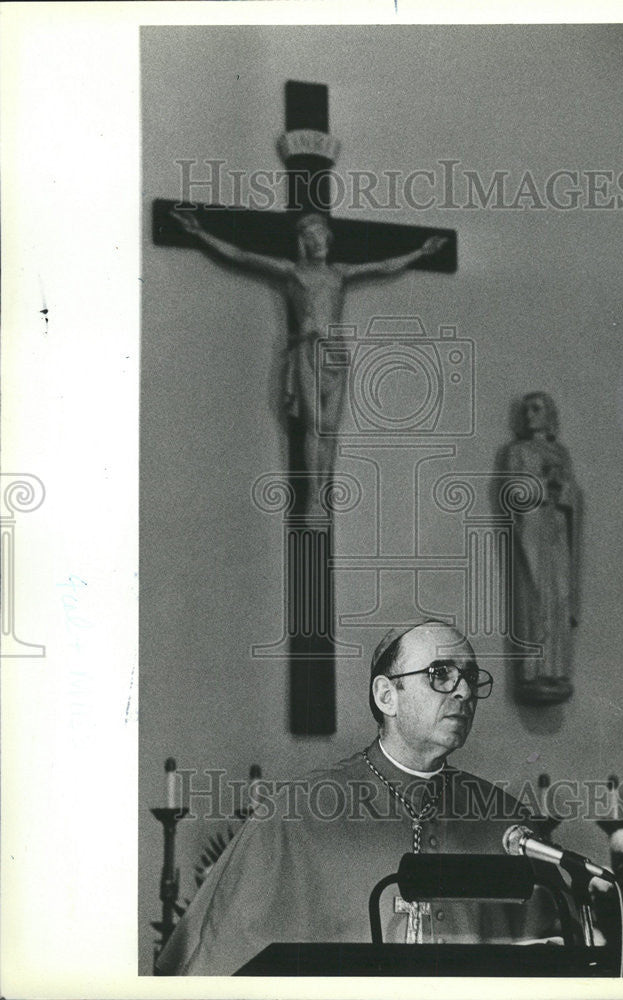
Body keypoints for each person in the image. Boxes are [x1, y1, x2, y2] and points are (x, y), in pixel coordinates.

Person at [156, 621, 556, 975]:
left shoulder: (504, 820)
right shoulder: (293, 816)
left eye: (470, 677)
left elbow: (553, 963)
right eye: (441, 674)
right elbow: (218, 970)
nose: (465, 692)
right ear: (386, 696)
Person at [170, 209, 447, 508]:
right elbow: (242, 254)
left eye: (321, 234)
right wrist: (200, 234)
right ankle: (314, 497)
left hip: (337, 353)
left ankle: (326, 488)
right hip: (309, 351)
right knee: (314, 425)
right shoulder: (294, 273)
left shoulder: (339, 272)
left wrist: (420, 251)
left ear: (329, 237)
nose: (318, 241)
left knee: (330, 426)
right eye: (311, 236)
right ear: (303, 241)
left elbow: (383, 265)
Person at [502, 393, 582, 703]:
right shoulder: (517, 452)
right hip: (532, 532)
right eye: (525, 410)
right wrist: (540, 483)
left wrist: (561, 488)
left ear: (549, 415)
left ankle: (556, 669)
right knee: (534, 598)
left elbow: (573, 496)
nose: (529, 415)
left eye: (536, 409)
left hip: (556, 532)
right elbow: (514, 492)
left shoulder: (560, 453)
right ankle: (532, 671)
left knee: (559, 598)